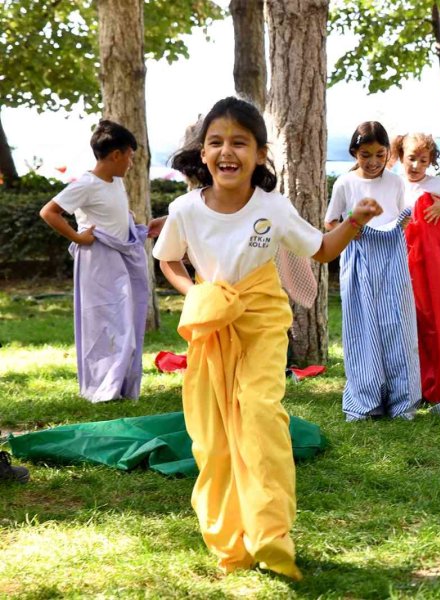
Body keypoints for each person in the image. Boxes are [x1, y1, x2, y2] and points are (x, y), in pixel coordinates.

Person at [153, 97, 383, 580]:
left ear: (259, 154)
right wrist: (197, 294)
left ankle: (272, 537)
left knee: (258, 415)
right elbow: (168, 259)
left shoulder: (272, 207)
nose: (227, 151)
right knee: (213, 441)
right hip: (211, 328)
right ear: (203, 152)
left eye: (240, 142)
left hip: (262, 323)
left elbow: (320, 250)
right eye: (216, 142)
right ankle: (231, 542)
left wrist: (355, 221)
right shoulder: (184, 209)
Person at [39, 120, 149, 403]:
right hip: (98, 261)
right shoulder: (86, 184)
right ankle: (103, 386)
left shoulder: (116, 182)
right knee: (104, 323)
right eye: (130, 156)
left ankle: (119, 384)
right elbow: (49, 212)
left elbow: (114, 213)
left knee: (125, 321)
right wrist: (77, 237)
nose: (131, 163)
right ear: (116, 155)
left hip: (119, 258)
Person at [324, 121, 420, 421]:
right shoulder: (345, 183)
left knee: (397, 326)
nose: (374, 161)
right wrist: (350, 230)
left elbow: (403, 215)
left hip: (392, 257)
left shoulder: (395, 182)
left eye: (380, 154)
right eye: (366, 154)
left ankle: (403, 401)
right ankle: (366, 400)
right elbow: (331, 222)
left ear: (388, 153)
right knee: (362, 326)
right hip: (359, 257)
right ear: (355, 153)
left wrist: (400, 226)